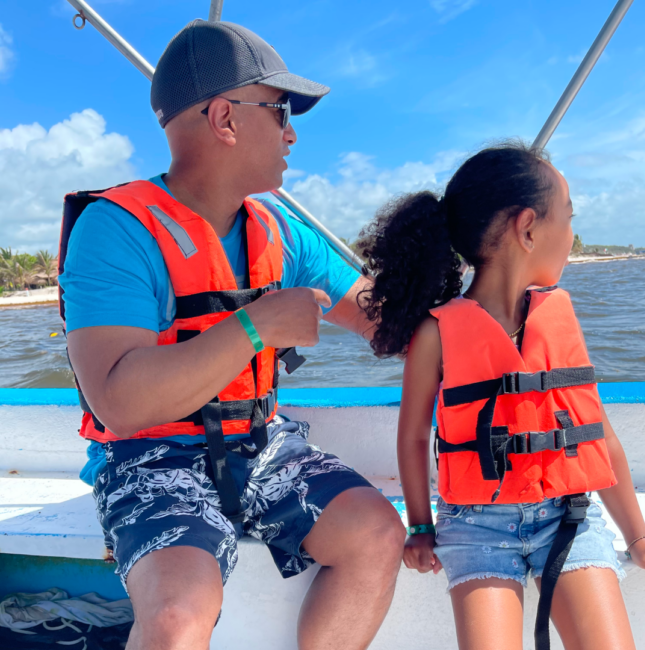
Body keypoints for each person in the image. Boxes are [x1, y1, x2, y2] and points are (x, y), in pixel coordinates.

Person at [58, 20, 404, 650]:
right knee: (176, 615)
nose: (292, 132)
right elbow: (120, 402)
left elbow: (386, 325)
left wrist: (461, 273)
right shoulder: (115, 230)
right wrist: (255, 325)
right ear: (224, 118)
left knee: (376, 532)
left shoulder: (282, 234)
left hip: (259, 444)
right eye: (281, 110)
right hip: (149, 458)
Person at [357, 141, 645, 650]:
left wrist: (637, 533)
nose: (573, 234)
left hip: (568, 513)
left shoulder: (559, 317)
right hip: (475, 527)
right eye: (569, 218)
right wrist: (421, 526)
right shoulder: (437, 333)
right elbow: (412, 437)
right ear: (529, 227)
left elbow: (594, 429)